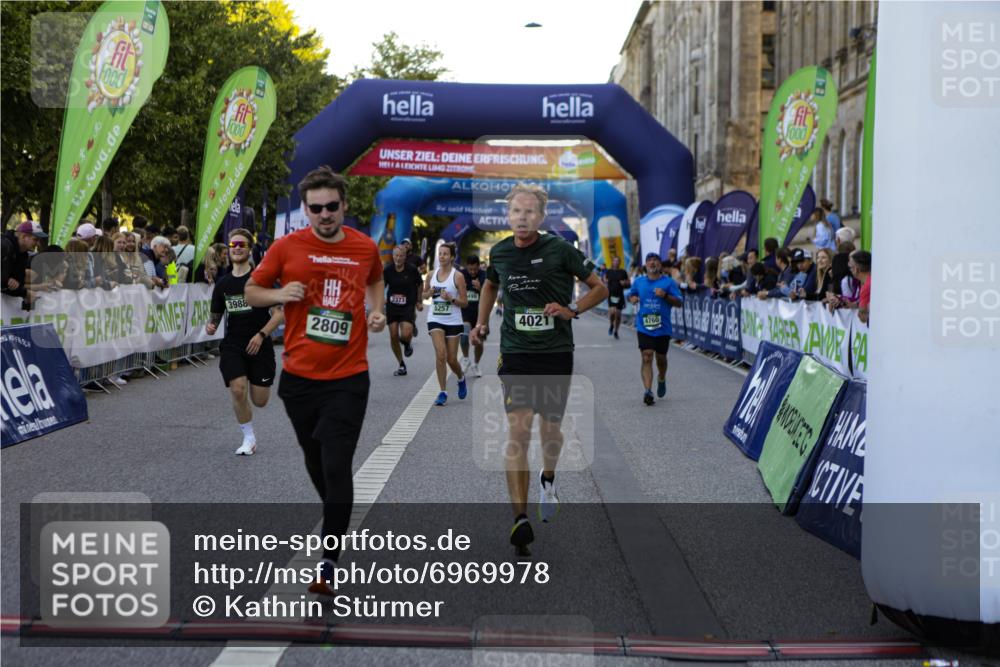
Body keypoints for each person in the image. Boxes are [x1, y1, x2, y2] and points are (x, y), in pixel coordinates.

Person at [244, 166, 385, 594]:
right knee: (314, 457)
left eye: (331, 206)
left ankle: (327, 563)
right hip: (300, 378)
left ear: (344, 205)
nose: (325, 214)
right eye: (316, 208)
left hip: (349, 377)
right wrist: (279, 295)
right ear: (305, 210)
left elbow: (375, 279)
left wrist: (377, 311)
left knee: (336, 463)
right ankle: (338, 512)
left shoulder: (364, 247)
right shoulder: (287, 247)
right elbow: (251, 290)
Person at [469, 183, 607, 557]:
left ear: (541, 216)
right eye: (516, 211)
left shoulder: (560, 250)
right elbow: (490, 286)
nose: (523, 217)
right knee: (518, 429)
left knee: (550, 430)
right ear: (508, 215)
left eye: (530, 211)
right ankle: (520, 518)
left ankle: (548, 478)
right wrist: (481, 323)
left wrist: (571, 309)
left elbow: (599, 288)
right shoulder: (500, 252)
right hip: (516, 352)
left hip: (555, 352)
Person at [206, 228, 284, 455]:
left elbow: (278, 314)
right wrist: (211, 326)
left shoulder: (262, 280)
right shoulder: (223, 284)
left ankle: (256, 387)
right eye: (233, 245)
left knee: (260, 400)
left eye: (242, 245)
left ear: (250, 249)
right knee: (238, 389)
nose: (237, 248)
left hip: (260, 344)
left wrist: (261, 335)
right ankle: (248, 438)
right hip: (233, 345)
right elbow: (215, 317)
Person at [628, 253, 683, 406]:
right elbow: (631, 295)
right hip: (644, 327)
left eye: (655, 260)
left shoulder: (668, 282)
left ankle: (662, 378)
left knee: (661, 359)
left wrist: (665, 296)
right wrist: (632, 299)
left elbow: (679, 303)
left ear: (660, 264)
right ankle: (648, 391)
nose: (652, 263)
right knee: (646, 356)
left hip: (662, 328)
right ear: (646, 265)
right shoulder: (639, 282)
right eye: (649, 261)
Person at [423, 242, 468, 406]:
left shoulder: (458, 276)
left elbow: (465, 303)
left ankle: (460, 377)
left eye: (445, 254)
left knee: (451, 359)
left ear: (452, 257)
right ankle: (442, 392)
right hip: (435, 318)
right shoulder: (431, 275)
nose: (442, 256)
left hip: (453, 320)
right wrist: (429, 293)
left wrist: (451, 298)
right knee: (441, 354)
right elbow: (423, 295)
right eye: (440, 253)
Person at [383, 244, 422, 376]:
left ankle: (407, 343)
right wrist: (382, 299)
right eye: (396, 256)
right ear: (392, 256)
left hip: (407, 305)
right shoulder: (388, 270)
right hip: (392, 306)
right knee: (393, 335)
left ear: (405, 257)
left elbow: (420, 284)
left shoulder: (411, 270)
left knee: (405, 335)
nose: (398, 258)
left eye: (401, 256)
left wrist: (419, 301)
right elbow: (381, 286)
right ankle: (401, 364)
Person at [2, 221, 47, 305]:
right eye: (35, 239)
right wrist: (25, 293)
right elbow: (4, 283)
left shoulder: (23, 254)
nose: (38, 244)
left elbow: (18, 283)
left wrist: (21, 290)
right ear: (23, 236)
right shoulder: (4, 245)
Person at [458, 254, 487, 377]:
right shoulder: (461, 275)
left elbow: (489, 295)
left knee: (478, 342)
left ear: (479, 266)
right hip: (465, 311)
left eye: (475, 269)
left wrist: (480, 289)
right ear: (466, 267)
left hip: (480, 313)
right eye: (470, 269)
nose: (473, 272)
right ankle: (465, 359)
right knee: (464, 335)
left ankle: (476, 364)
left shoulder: (484, 275)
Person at [602, 255, 630, 340]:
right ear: (612, 262)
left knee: (618, 315)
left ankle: (616, 331)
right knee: (612, 313)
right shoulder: (609, 271)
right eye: (614, 261)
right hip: (611, 294)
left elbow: (628, 282)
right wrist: (605, 280)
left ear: (619, 262)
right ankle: (611, 324)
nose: (616, 262)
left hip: (619, 295)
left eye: (617, 261)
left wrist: (624, 283)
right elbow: (604, 279)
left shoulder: (623, 272)